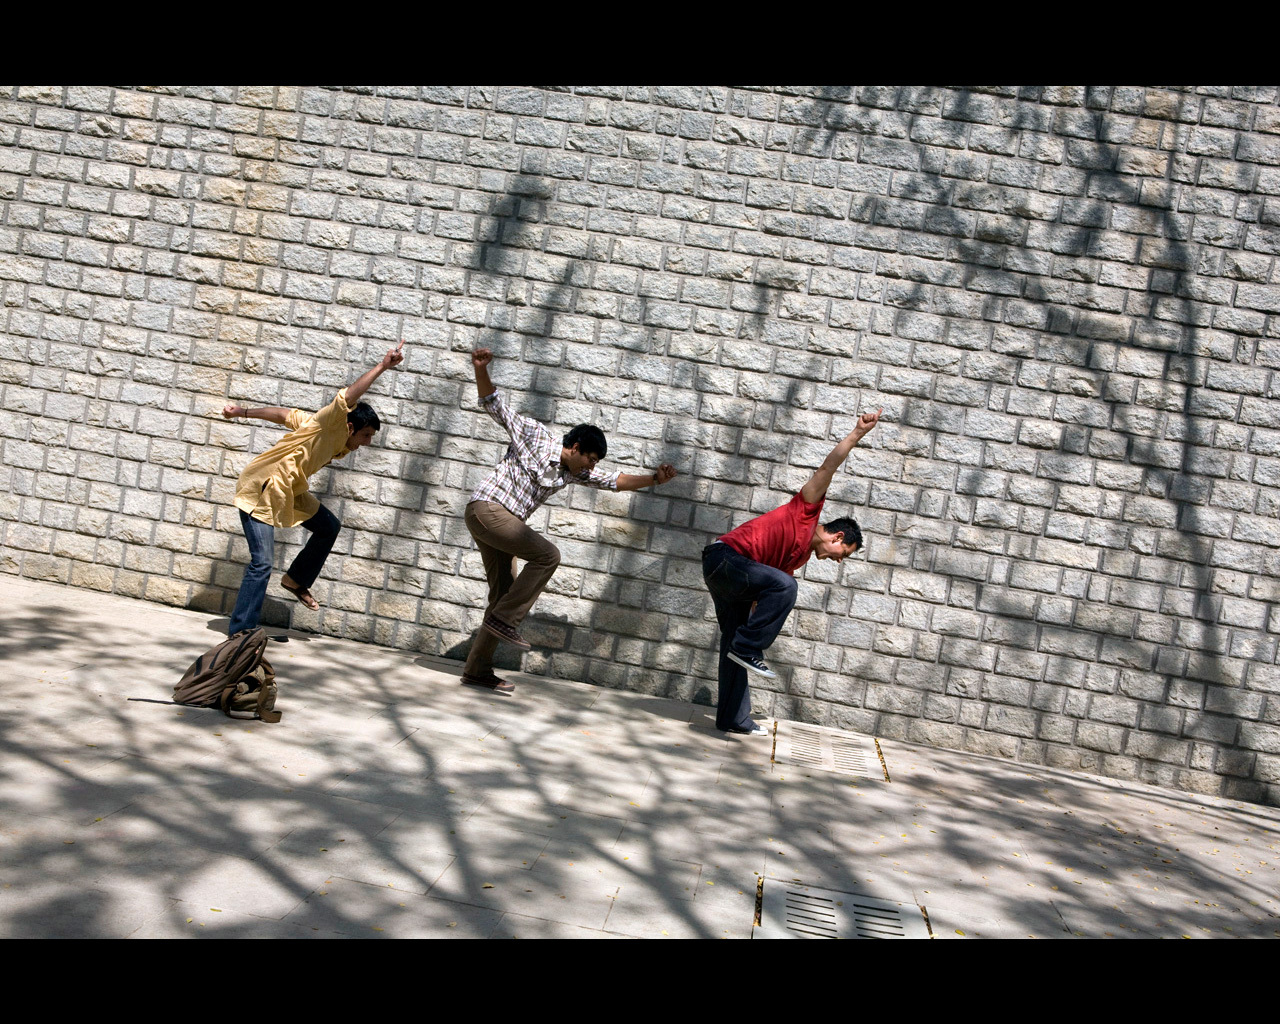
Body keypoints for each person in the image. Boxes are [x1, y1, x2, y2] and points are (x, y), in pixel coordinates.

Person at [460, 346, 677, 695]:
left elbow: (614, 481)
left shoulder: (573, 473)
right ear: (574, 447)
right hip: (487, 508)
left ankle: (477, 669)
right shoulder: (534, 436)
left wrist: (653, 479)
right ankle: (506, 621)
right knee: (548, 555)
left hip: (502, 525)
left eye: (593, 463)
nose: (590, 467)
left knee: (503, 592)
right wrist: (480, 369)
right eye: (588, 459)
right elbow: (494, 405)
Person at [702, 408, 881, 735]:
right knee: (785, 588)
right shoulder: (806, 510)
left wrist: (756, 612)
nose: (838, 560)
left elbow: (765, 589)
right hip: (724, 558)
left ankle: (733, 718)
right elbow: (829, 466)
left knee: (734, 643)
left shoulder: (794, 560)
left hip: (733, 577)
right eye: (843, 554)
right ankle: (748, 646)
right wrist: (857, 433)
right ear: (838, 537)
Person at [221, 340, 406, 636]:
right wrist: (383, 366)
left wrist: (243, 412)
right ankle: (241, 631)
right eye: (367, 435)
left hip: (290, 490)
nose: (367, 442)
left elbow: (284, 415)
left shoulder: (317, 427)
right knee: (262, 563)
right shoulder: (331, 421)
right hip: (264, 488)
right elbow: (350, 395)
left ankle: (296, 580)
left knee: (328, 527)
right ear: (349, 427)